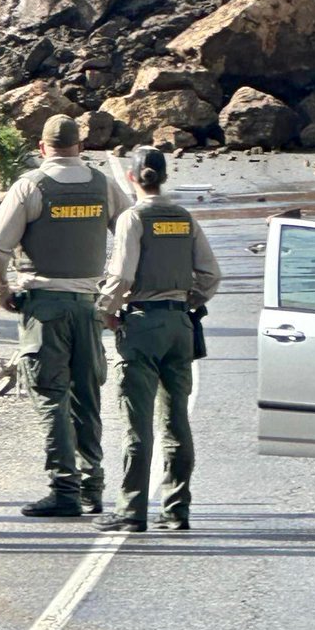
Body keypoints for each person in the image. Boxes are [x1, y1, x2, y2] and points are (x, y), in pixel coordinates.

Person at [0, 114, 128, 518]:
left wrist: (3, 291)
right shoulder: (103, 184)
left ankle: (64, 487)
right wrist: (119, 291)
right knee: (87, 397)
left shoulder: (30, 187)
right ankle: (93, 486)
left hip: (44, 307)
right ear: (80, 147)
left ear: (42, 148)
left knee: (51, 397)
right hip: (89, 307)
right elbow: (130, 232)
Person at [93, 146, 221, 534]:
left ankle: (132, 509)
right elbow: (210, 275)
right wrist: (188, 299)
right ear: (164, 177)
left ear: (131, 178)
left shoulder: (133, 218)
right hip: (180, 326)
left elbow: (121, 276)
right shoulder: (184, 218)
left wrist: (106, 311)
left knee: (137, 422)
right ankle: (177, 508)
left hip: (143, 326)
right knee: (176, 420)